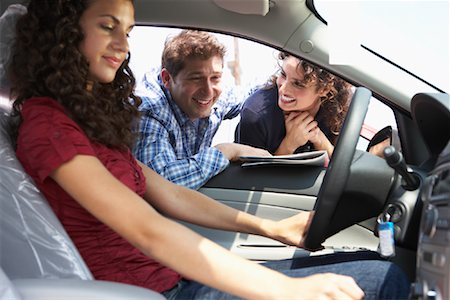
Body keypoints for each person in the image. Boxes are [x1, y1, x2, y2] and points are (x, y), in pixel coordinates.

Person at [8, 0, 410, 299]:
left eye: (127, 32)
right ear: (65, 32)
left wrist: (271, 228)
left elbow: (171, 195)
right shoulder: (48, 127)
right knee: (382, 282)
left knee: (378, 266)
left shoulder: (87, 123)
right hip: (153, 291)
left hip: (174, 278)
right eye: (108, 26)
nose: (122, 46)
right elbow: (148, 230)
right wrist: (287, 291)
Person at [133, 30, 271, 190]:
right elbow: (163, 185)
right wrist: (226, 150)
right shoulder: (148, 110)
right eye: (196, 78)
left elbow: (249, 93)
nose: (208, 91)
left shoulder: (216, 97)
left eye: (215, 77)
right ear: (167, 79)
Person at [236, 52, 353, 158]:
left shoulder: (341, 108)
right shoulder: (255, 115)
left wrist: (318, 138)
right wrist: (289, 144)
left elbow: (342, 166)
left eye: (298, 84)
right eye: (283, 74)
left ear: (324, 89)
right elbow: (252, 178)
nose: (283, 89)